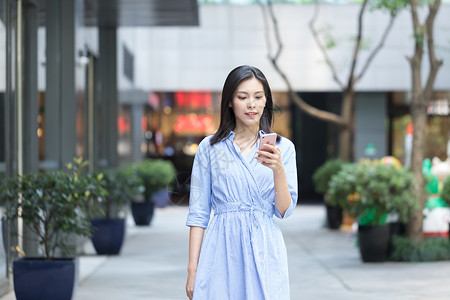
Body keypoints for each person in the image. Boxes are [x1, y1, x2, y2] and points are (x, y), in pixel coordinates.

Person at [185, 65, 298, 300]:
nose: (251, 104)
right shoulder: (209, 148)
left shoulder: (283, 148)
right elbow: (198, 213)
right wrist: (193, 270)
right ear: (229, 101)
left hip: (265, 248)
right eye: (242, 97)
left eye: (258, 97)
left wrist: (278, 169)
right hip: (221, 249)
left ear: (266, 101)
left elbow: (284, 210)